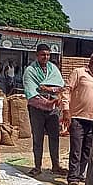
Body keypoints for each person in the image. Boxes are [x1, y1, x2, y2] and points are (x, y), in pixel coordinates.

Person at [61, 52, 93, 185]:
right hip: (77, 117)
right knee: (76, 148)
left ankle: (81, 173)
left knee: (88, 150)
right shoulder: (79, 73)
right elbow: (66, 90)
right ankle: (72, 178)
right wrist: (66, 110)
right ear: (91, 63)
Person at [22, 44, 67, 177]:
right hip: (37, 108)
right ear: (37, 55)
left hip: (53, 109)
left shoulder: (53, 69)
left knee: (55, 137)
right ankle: (37, 166)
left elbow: (61, 87)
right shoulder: (30, 71)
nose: (46, 57)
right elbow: (31, 91)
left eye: (48, 55)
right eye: (43, 54)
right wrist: (47, 99)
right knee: (38, 138)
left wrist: (48, 89)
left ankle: (56, 165)